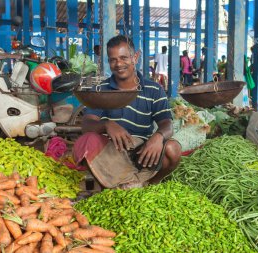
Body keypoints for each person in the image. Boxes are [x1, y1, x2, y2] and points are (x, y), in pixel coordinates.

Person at [72, 35, 181, 188]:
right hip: (112, 153)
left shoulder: (154, 89)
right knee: (86, 141)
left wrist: (158, 136)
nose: (118, 64)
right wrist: (106, 124)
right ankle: (116, 183)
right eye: (113, 59)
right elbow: (87, 125)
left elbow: (167, 124)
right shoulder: (101, 90)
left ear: (135, 57)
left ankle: (149, 184)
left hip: (142, 153)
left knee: (173, 148)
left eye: (124, 58)